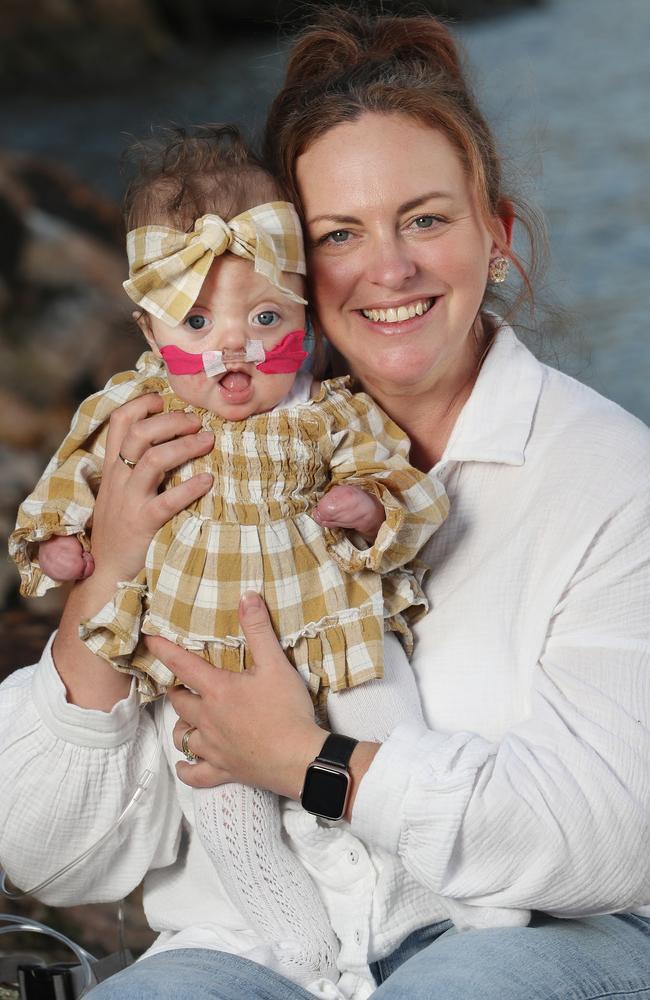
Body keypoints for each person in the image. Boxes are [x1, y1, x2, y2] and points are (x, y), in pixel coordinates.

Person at [2, 8, 650, 1000]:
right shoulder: (163, 462)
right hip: (242, 950)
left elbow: (612, 839)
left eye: (424, 219)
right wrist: (109, 568)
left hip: (534, 942)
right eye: (337, 233)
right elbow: (56, 862)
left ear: (497, 236)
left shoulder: (607, 475)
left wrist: (309, 759)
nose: (386, 269)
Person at [6, 125, 449, 992]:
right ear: (147, 326)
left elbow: (391, 474)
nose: (234, 346)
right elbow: (71, 481)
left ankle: (432, 901)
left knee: (391, 728)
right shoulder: (132, 414)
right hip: (197, 655)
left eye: (266, 317)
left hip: (333, 630)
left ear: (307, 314)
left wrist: (364, 504)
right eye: (198, 321)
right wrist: (66, 544)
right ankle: (290, 935)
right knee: (213, 784)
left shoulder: (328, 412)